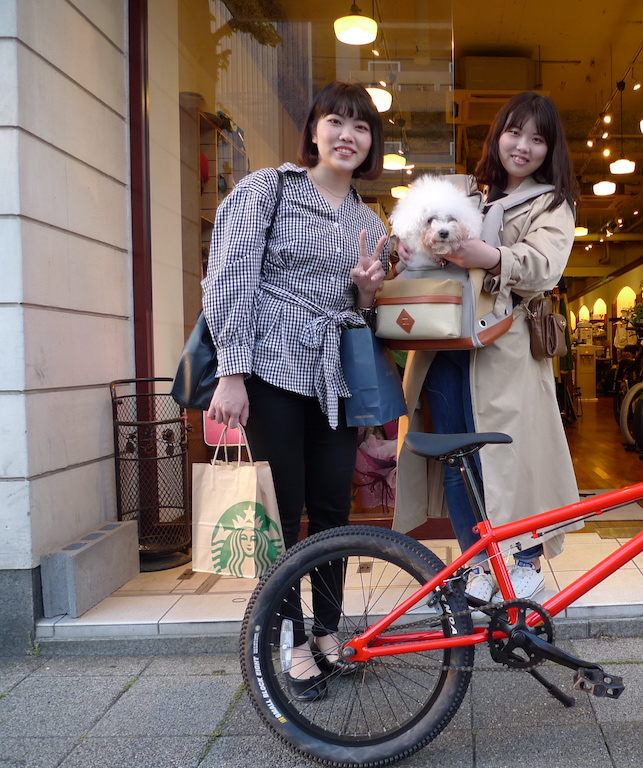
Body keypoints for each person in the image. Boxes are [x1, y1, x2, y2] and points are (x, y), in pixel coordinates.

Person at [202, 82, 389, 700]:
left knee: (333, 509)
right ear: (313, 130)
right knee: (280, 514)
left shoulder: (370, 223)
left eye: (360, 126)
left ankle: (329, 632)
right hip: (269, 369)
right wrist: (231, 372)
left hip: (332, 380)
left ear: (371, 142)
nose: (347, 135)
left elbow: (364, 318)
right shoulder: (269, 189)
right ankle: (289, 643)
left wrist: (367, 293)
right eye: (336, 121)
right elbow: (229, 276)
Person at [393, 91, 581, 605]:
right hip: (442, 344)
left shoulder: (552, 203)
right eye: (514, 133)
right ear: (497, 136)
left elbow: (545, 268)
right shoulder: (464, 194)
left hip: (505, 349)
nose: (522, 146)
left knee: (509, 457)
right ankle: (476, 559)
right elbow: (417, 237)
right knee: (457, 458)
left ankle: (523, 561)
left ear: (550, 148)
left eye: (537, 139)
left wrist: (491, 256)